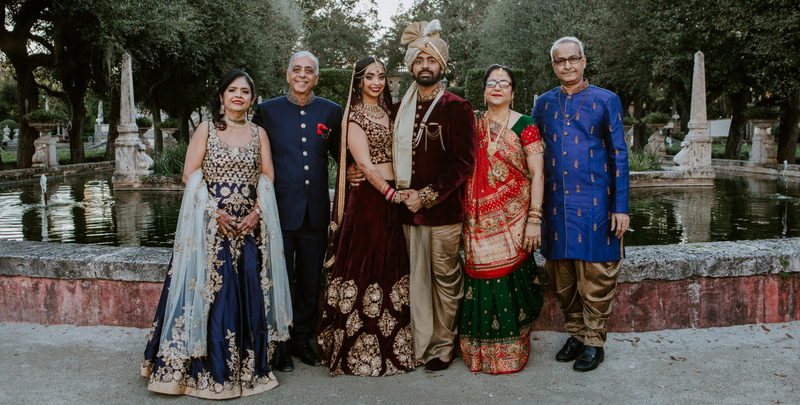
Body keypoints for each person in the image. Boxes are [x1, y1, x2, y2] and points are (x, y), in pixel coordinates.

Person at [141, 69, 292, 398]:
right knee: (213, 296)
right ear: (222, 96)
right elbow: (189, 175)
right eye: (232, 90)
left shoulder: (259, 133)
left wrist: (256, 213)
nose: (239, 95)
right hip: (210, 228)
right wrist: (213, 211)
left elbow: (267, 178)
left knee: (250, 292)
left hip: (248, 229)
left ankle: (247, 366)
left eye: (245, 91)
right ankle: (199, 370)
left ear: (252, 99)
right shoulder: (206, 129)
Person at [350, 20, 478, 372]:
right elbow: (368, 141)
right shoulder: (399, 109)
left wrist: (428, 195)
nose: (425, 65)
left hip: (442, 211)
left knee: (446, 280)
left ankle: (445, 346)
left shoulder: (457, 107)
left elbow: (464, 163)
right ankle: (422, 344)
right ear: (411, 67)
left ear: (441, 66)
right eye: (419, 60)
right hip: (406, 212)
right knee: (417, 282)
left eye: (431, 60)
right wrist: (351, 167)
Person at [532, 37, 630, 372]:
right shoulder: (543, 104)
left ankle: (594, 341)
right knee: (562, 279)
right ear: (554, 66)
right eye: (560, 61)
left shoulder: (607, 100)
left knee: (598, 277)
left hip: (596, 205)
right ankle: (575, 333)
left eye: (573, 59)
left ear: (584, 61)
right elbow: (532, 157)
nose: (567, 66)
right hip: (556, 206)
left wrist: (621, 207)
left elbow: (619, 157)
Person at [316, 56, 415, 376]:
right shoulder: (353, 117)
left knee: (391, 263)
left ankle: (395, 340)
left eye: (381, 76)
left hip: (391, 199)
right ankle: (357, 346)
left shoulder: (390, 112)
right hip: (370, 200)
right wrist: (391, 195)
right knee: (366, 264)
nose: (376, 82)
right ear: (358, 82)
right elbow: (366, 166)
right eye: (369, 76)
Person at [252, 51, 343, 372]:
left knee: (308, 280)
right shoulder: (267, 111)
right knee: (276, 279)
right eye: (297, 69)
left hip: (315, 214)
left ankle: (303, 338)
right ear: (287, 74)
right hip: (277, 212)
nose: (303, 75)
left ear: (317, 77)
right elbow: (253, 160)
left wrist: (357, 172)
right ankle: (279, 341)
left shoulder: (331, 112)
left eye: (309, 71)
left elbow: (342, 159)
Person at [459, 65, 545, 375]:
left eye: (504, 83)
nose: (498, 87)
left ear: (512, 91)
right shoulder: (472, 124)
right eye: (492, 82)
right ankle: (479, 352)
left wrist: (534, 219)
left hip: (516, 218)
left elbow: (537, 174)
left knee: (510, 283)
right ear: (483, 90)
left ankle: (511, 351)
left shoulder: (526, 125)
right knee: (480, 282)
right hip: (478, 221)